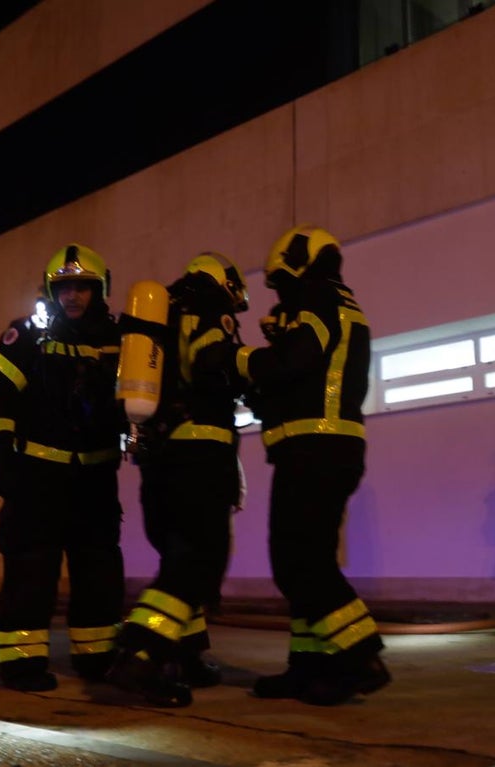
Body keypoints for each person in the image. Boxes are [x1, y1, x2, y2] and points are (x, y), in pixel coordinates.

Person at [219, 224, 390, 706]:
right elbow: (300, 376)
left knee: (297, 562)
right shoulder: (338, 301)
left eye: (281, 283)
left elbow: (294, 361)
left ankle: (361, 655)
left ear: (296, 265)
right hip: (324, 448)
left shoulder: (317, 299)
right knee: (307, 558)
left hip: (315, 448)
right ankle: (311, 667)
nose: (279, 297)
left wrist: (240, 360)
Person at [0, 243, 126, 691]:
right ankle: (21, 663)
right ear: (49, 291)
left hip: (96, 479)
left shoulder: (121, 343)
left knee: (99, 572)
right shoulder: (28, 337)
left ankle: (97, 658)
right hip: (37, 477)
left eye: (83, 287)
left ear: (101, 290)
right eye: (64, 288)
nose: (73, 296)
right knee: (31, 572)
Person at [108, 252, 249, 708]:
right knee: (199, 563)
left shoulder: (161, 312)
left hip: (160, 460)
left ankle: (183, 656)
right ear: (223, 281)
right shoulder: (209, 304)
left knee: (178, 560)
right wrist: (252, 372)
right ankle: (141, 653)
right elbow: (213, 362)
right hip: (201, 454)